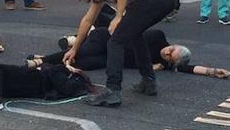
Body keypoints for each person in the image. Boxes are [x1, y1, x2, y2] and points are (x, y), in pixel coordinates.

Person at [63, 0, 182, 106]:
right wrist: (74, 49)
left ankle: (112, 91)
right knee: (134, 35)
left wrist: (119, 16)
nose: (79, 0)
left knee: (115, 42)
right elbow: (88, 20)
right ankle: (148, 81)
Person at [30, 28, 230, 79]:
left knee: (85, 64)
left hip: (110, 57)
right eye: (172, 50)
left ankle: (49, 63)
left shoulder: (165, 62)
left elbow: (188, 68)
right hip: (107, 40)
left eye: (171, 57)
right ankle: (41, 59)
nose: (168, 53)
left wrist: (213, 71)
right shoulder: (158, 37)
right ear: (174, 45)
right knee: (84, 50)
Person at [0, 63, 94, 111]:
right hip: (17, 85)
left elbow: (65, 87)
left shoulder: (61, 70)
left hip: (32, 79)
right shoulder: (60, 71)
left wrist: (66, 68)